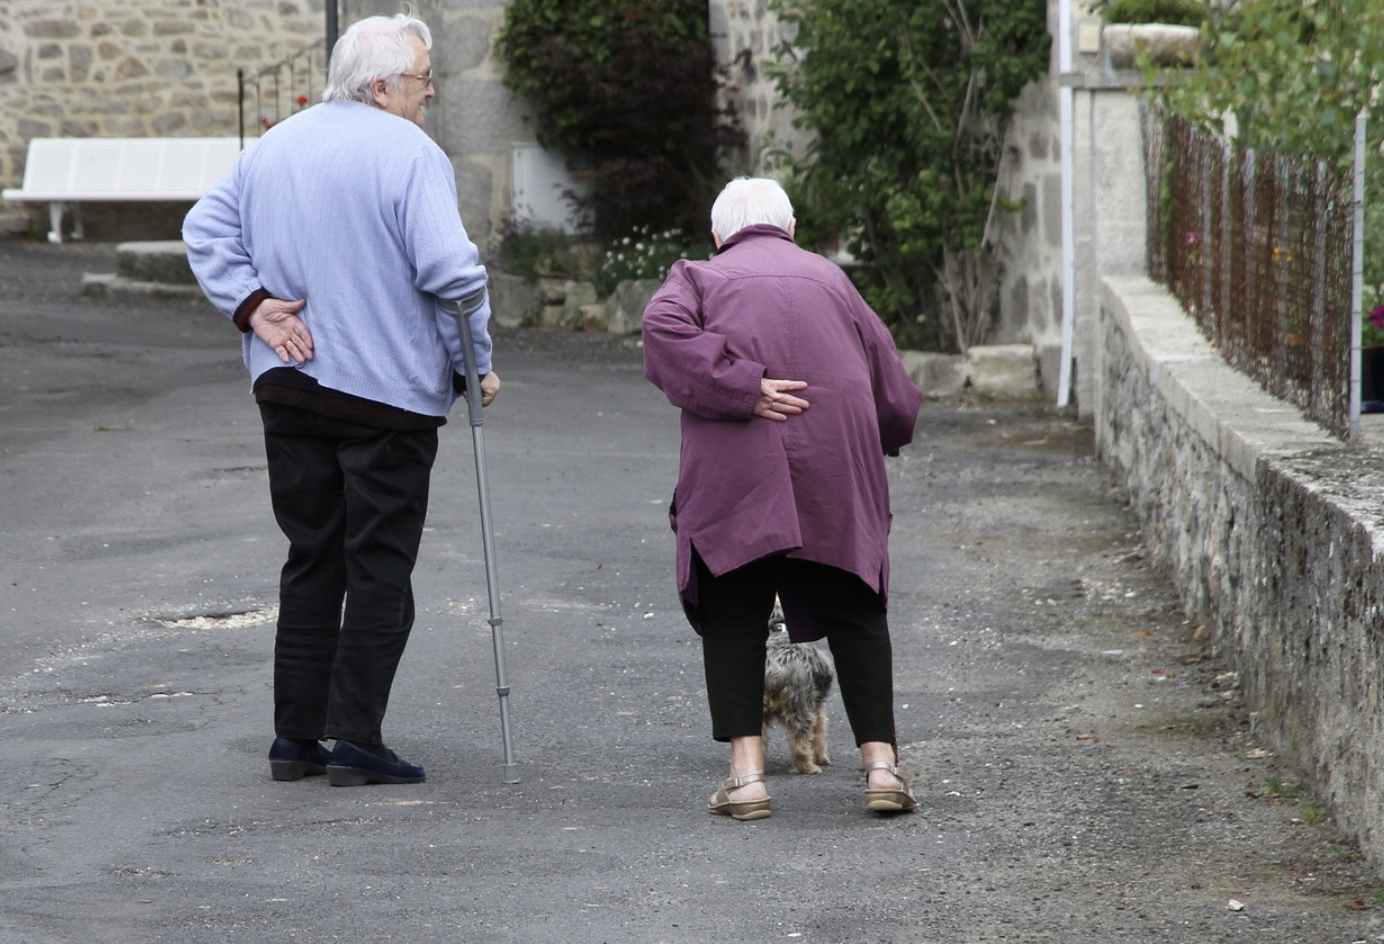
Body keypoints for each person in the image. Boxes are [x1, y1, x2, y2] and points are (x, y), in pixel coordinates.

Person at [183, 11, 499, 787]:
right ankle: (357, 738)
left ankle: (296, 738)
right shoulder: (411, 153)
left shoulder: (278, 142)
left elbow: (203, 227)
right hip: (385, 394)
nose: (430, 94)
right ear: (385, 85)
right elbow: (453, 276)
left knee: (313, 557)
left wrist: (253, 305)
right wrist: (475, 366)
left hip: (288, 385)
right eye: (424, 80)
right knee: (380, 567)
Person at [642, 177, 923, 819]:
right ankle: (882, 769)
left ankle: (746, 779)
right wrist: (888, 432)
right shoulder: (832, 279)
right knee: (855, 607)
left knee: (735, 609)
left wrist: (741, 387)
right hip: (835, 463)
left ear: (719, 235)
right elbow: (894, 387)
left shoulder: (697, 277)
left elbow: (660, 331)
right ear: (790, 228)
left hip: (738, 466)